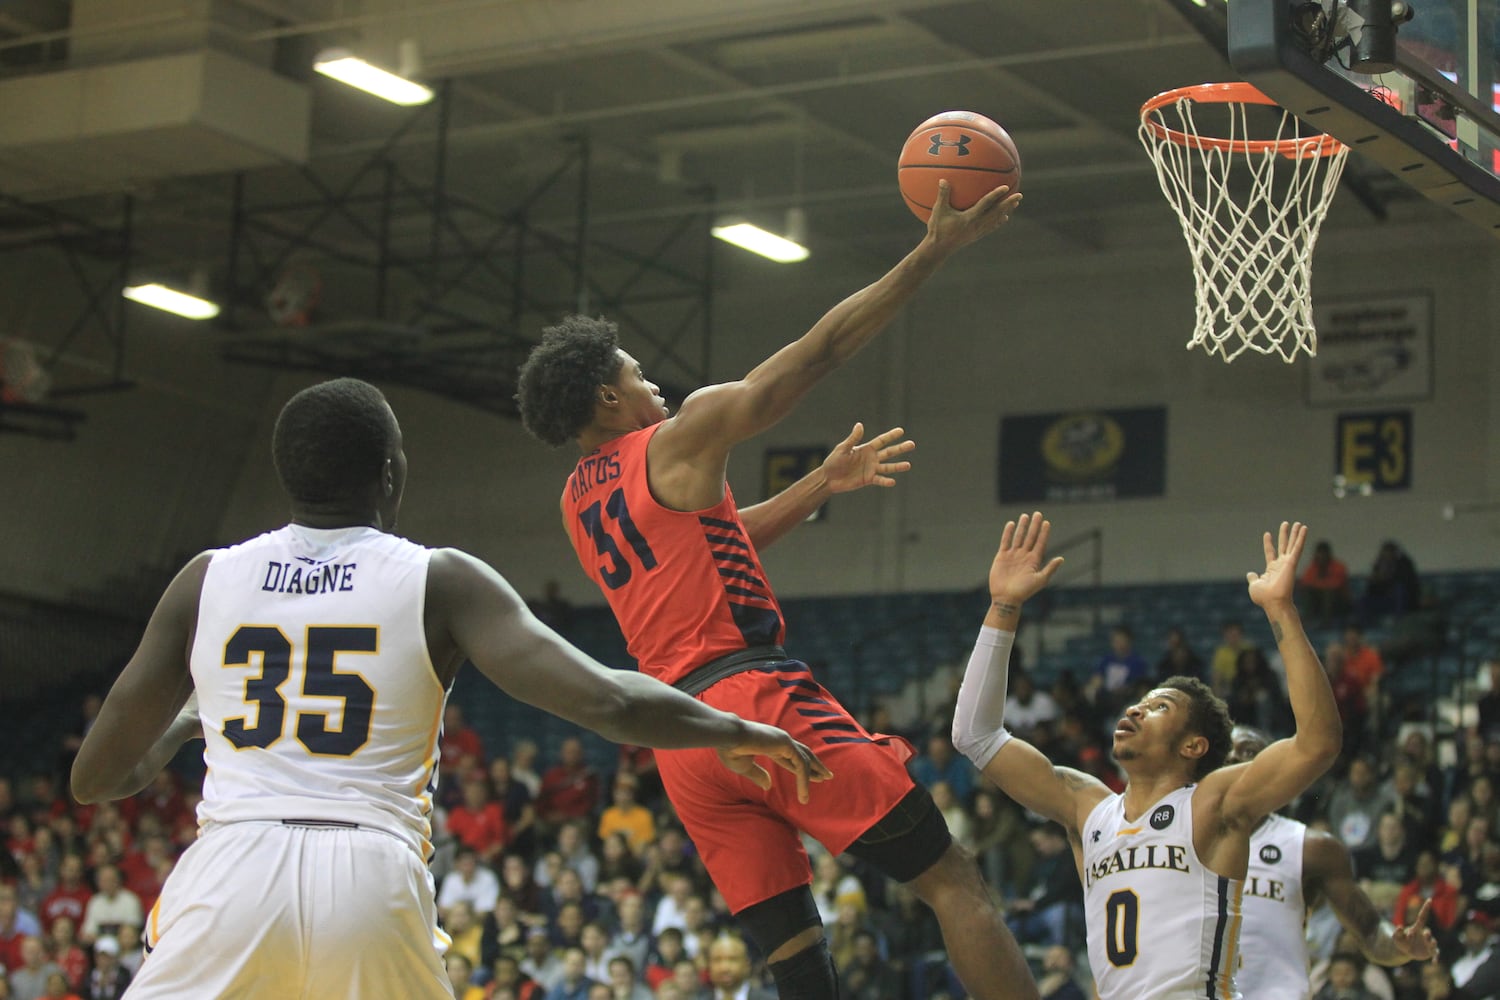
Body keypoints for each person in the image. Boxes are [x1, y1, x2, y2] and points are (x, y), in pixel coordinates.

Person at [67, 378, 827, 1000]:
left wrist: (187, 725)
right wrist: (736, 729)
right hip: (367, 873)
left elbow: (96, 778)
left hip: (227, 870)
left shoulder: (206, 578)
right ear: (392, 473)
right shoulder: (438, 578)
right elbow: (609, 700)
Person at [515, 180, 1029, 1000]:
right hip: (755, 698)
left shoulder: (580, 499)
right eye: (640, 375)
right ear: (609, 397)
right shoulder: (679, 436)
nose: (657, 387)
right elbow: (821, 352)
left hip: (682, 738)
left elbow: (719, 543)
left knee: (796, 962)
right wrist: (931, 251)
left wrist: (820, 483)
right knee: (952, 878)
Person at [952, 514, 1344, 999]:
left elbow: (1318, 742)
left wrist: (1282, 611)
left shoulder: (1211, 802)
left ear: (1193, 745)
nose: (1137, 707)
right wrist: (1004, 606)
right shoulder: (1086, 807)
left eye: (1161, 707)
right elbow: (976, 735)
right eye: (1142, 700)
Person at [1225, 726, 1436, 999]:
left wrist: (1401, 948)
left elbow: (1371, 931)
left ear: (1271, 768)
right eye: (1226, 750)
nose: (1232, 757)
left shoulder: (1311, 848)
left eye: (1248, 751)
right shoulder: (1178, 837)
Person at [1299, 541, 1352, 626]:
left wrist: (1318, 584)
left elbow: (1335, 585)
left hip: (1339, 601)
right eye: (1319, 554)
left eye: (1323, 554)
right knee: (1307, 592)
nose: (1321, 557)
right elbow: (1306, 583)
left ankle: (1326, 622)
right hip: (1318, 602)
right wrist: (1321, 585)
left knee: (1328, 593)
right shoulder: (1312, 567)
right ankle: (1307, 620)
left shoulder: (1338, 567)